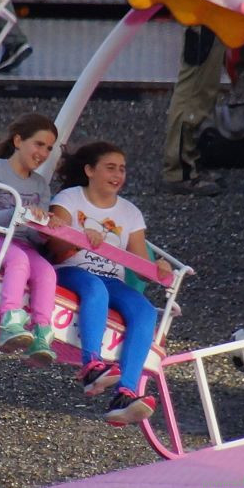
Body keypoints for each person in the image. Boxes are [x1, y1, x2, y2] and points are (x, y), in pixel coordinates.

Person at [49, 141, 172, 425]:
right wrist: (79, 238)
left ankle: (126, 391)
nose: (118, 174)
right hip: (71, 269)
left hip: (112, 278)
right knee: (95, 289)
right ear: (90, 170)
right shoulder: (70, 198)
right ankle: (92, 365)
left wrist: (159, 268)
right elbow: (53, 244)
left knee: (144, 311)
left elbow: (141, 267)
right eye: (110, 167)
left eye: (122, 169)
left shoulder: (130, 213)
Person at [0, 113, 64, 365]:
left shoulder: (41, 185)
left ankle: (42, 332)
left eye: (49, 148)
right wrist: (18, 213)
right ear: (19, 140)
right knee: (19, 259)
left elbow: (34, 237)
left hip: (21, 243)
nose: (43, 153)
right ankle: (10, 320)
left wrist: (47, 227)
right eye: (39, 144)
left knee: (46, 272)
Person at [161, 26, 224, 195]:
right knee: (193, 92)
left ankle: (190, 162)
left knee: (204, 87)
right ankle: (179, 171)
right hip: (205, 13)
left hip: (212, 13)